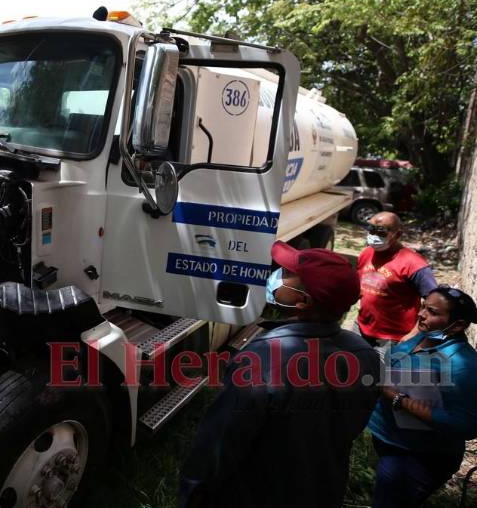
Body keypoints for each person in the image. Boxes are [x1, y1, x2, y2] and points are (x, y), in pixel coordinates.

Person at [179, 242, 380, 508]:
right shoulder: (365, 355)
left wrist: (194, 490)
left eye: (285, 274)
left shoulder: (261, 362)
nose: (275, 275)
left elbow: (221, 442)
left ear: (302, 301)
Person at [368, 285, 477, 508]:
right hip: (392, 443)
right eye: (423, 307)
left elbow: (466, 425)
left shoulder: (462, 365)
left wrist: (398, 399)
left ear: (458, 326)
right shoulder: (423, 336)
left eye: (433, 312)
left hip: (419, 458)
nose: (421, 314)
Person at [356, 212, 437, 348]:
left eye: (381, 232)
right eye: (370, 229)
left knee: (380, 370)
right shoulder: (366, 253)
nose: (373, 236)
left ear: (397, 235)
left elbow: (435, 304)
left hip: (393, 340)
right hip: (360, 329)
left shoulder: (414, 264)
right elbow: (359, 287)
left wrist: (414, 333)